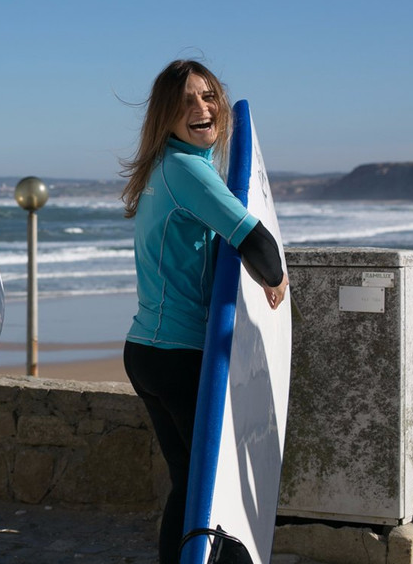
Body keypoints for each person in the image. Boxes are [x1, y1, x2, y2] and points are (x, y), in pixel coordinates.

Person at [120, 59, 287, 564]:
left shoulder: (162, 166)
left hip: (147, 350)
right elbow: (259, 242)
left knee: (189, 487)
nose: (201, 107)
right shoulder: (188, 171)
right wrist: (277, 280)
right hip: (179, 355)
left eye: (208, 96)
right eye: (187, 100)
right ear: (166, 116)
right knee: (213, 492)